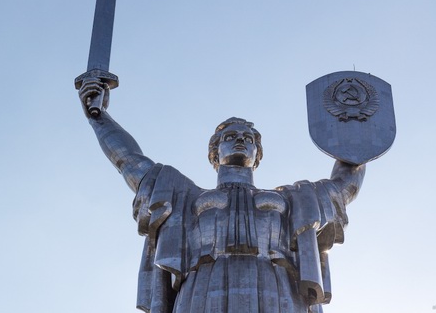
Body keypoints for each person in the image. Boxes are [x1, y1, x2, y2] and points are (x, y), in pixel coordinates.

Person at [78, 78, 366, 313]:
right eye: (230, 137)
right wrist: (99, 117)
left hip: (276, 287)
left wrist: (358, 130)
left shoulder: (293, 199)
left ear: (258, 154)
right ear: (214, 154)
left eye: (248, 138)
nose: (240, 140)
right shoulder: (183, 196)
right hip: (203, 288)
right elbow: (129, 161)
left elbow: (344, 185)